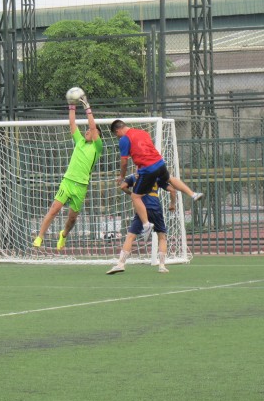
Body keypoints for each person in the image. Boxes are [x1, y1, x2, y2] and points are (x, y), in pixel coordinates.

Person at [33, 91, 103, 250]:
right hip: (68, 182)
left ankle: (63, 235)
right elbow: (72, 124)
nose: (87, 131)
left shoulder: (97, 147)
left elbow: (93, 125)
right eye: (87, 130)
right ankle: (40, 236)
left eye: (91, 131)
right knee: (54, 209)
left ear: (97, 136)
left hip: (81, 186)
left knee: (72, 219)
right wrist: (72, 105)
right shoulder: (79, 141)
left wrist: (88, 109)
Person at [110, 119, 202, 237]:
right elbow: (144, 150)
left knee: (135, 197)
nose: (117, 137)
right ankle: (193, 194)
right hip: (159, 163)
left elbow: (124, 162)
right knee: (169, 178)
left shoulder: (124, 139)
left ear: (118, 130)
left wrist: (122, 176)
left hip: (147, 169)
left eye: (116, 134)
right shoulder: (143, 132)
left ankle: (146, 224)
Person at [107, 175, 175, 274]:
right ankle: (162, 266)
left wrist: (131, 194)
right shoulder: (156, 177)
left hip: (141, 209)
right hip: (155, 208)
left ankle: (121, 264)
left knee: (130, 236)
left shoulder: (133, 177)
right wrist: (172, 205)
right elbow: (172, 190)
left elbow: (122, 186)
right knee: (162, 237)